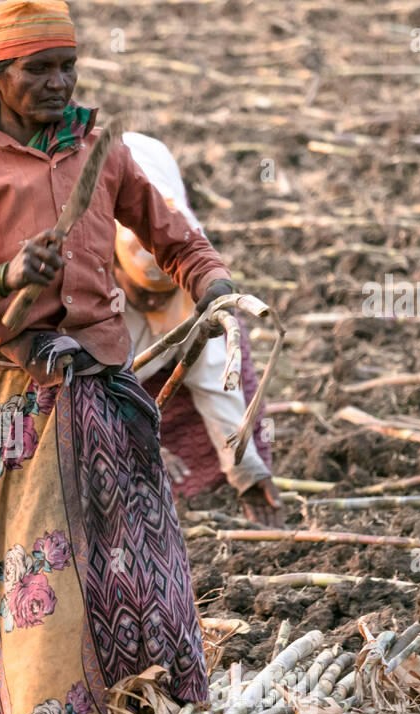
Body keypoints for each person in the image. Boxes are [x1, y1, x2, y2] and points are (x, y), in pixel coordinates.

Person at [0, 0, 254, 714]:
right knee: (31, 576)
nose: (58, 83)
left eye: (68, 67)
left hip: (106, 395)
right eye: (38, 70)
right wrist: (3, 280)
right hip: (10, 407)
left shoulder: (103, 151)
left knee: (136, 563)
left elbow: (173, 238)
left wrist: (217, 287)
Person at [114, 131, 283, 528]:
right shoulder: (86, 282)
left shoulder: (188, 258)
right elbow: (84, 387)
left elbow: (213, 380)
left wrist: (247, 473)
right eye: (145, 297)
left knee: (226, 365)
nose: (154, 306)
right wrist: (134, 436)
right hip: (103, 366)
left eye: (162, 298)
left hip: (176, 338)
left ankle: (207, 494)